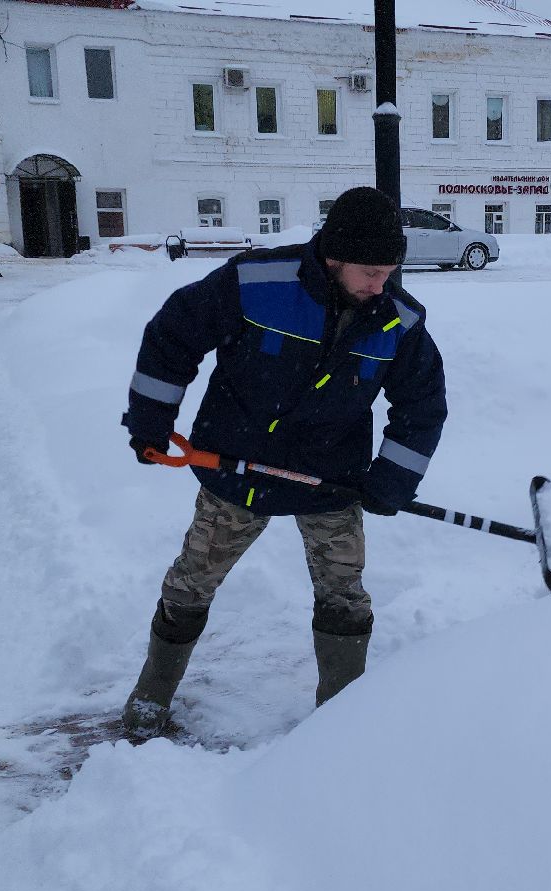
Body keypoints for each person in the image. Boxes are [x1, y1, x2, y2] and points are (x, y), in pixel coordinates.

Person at [120, 186, 447, 739]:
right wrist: (151, 419)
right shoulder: (255, 282)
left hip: (331, 479)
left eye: (390, 271)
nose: (380, 284)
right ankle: (151, 695)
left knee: (345, 596)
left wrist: (392, 478)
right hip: (235, 466)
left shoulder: (398, 321)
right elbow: (173, 335)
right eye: (371, 272)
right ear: (334, 256)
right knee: (191, 583)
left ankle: (343, 717)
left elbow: (423, 404)